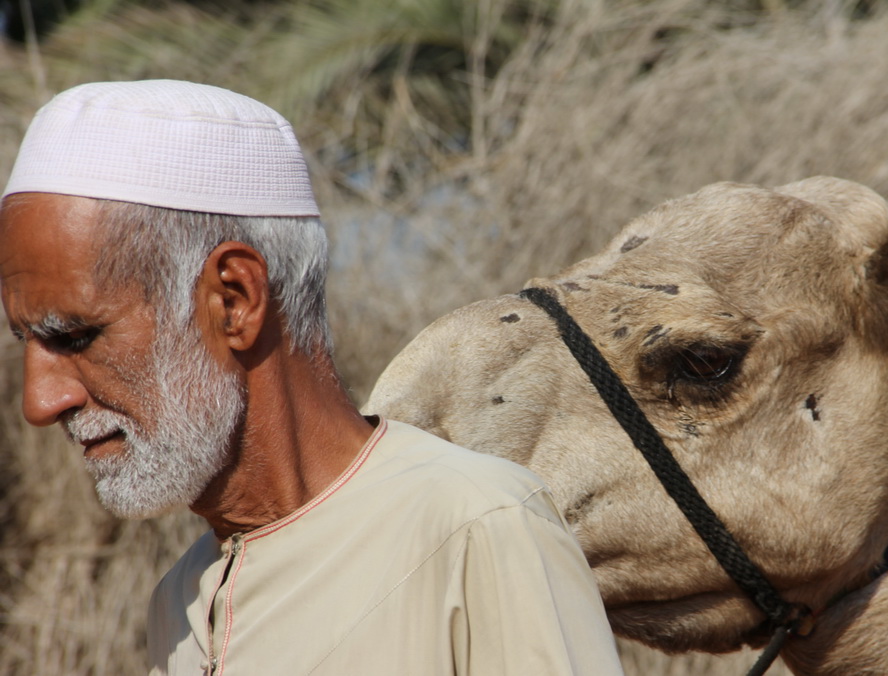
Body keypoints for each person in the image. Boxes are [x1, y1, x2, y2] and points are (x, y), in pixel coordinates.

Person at [0, 80, 624, 675]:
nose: (40, 401)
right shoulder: (179, 603)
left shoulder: (481, 527)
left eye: (75, 337)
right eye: (27, 342)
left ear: (233, 300)